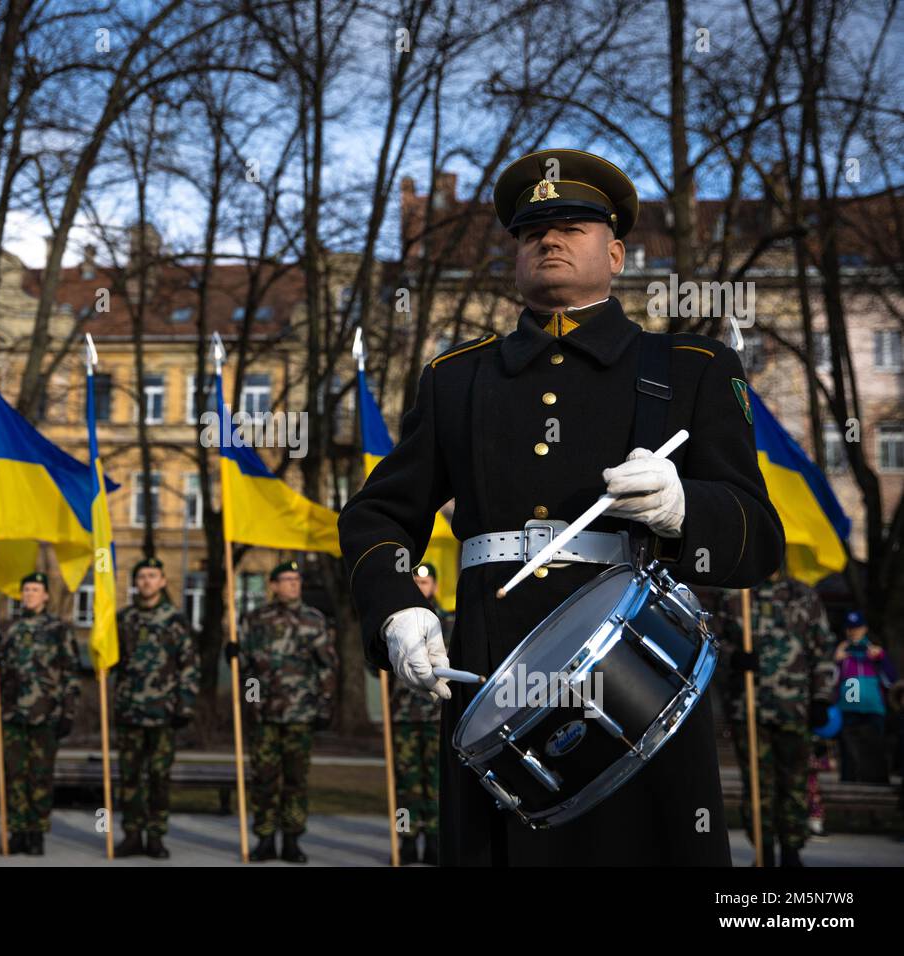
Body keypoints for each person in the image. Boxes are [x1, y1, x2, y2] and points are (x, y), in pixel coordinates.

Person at [339, 148, 784, 866]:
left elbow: (760, 539)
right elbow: (378, 514)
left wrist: (683, 508)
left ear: (614, 252)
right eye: (529, 232)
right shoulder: (458, 378)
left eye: (572, 226)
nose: (547, 240)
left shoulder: (689, 370)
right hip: (493, 678)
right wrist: (395, 605)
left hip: (641, 683)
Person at [721, 571, 838, 867]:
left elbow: (823, 649)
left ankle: (792, 850)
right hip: (749, 708)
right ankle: (764, 850)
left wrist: (822, 698)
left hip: (795, 707)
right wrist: (733, 657)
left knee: (794, 782)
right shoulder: (737, 594)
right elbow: (711, 640)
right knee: (758, 784)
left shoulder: (804, 596)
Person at [238, 560, 338, 863]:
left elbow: (327, 667)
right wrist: (251, 701)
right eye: (287, 579)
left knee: (296, 779)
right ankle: (265, 838)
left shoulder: (314, 619)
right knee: (264, 779)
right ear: (273, 585)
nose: (294, 584)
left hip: (300, 713)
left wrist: (324, 704)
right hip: (265, 714)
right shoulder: (255, 620)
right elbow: (248, 669)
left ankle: (292, 840)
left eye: (297, 579)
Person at [112, 557, 199, 859]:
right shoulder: (123, 620)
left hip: (164, 713)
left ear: (163, 581)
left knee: (159, 778)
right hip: (130, 711)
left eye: (153, 576)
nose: (147, 581)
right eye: (141, 577)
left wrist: (184, 707)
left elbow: (189, 667)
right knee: (130, 777)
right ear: (135, 583)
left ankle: (156, 836)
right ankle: (132, 834)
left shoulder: (176, 621)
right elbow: (114, 662)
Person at [0, 571, 79, 855]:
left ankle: (37, 833)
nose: (30, 594)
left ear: (46, 595)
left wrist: (68, 712)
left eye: (35, 589)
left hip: (46, 715)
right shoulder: (8, 629)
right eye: (26, 589)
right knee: (14, 775)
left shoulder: (59, 629)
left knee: (41, 776)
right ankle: (17, 830)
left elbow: (70, 673)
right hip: (12, 715)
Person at [392, 564, 446, 865]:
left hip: (439, 715)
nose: (420, 587)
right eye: (415, 582)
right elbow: (376, 665)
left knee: (437, 780)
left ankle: (437, 839)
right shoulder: (395, 625)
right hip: (404, 714)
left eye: (425, 582)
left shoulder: (449, 622)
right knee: (406, 782)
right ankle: (407, 839)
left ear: (434, 587)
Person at [834, 611, 898, 784]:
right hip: (849, 708)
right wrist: (836, 660)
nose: (854, 632)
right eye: (850, 629)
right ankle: (848, 781)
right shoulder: (842, 654)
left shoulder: (874, 653)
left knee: (875, 748)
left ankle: (877, 781)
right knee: (848, 751)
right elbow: (831, 680)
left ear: (865, 629)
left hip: (873, 708)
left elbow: (892, 681)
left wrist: (881, 659)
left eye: (857, 628)